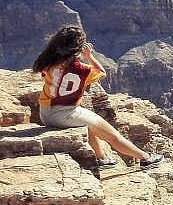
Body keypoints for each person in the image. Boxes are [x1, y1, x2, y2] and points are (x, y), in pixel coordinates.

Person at [32, 26, 163, 171]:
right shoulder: (81, 69)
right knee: (113, 136)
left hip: (45, 113)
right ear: (79, 47)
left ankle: (102, 159)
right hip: (65, 113)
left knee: (87, 125)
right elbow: (102, 72)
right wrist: (89, 56)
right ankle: (146, 158)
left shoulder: (49, 61)